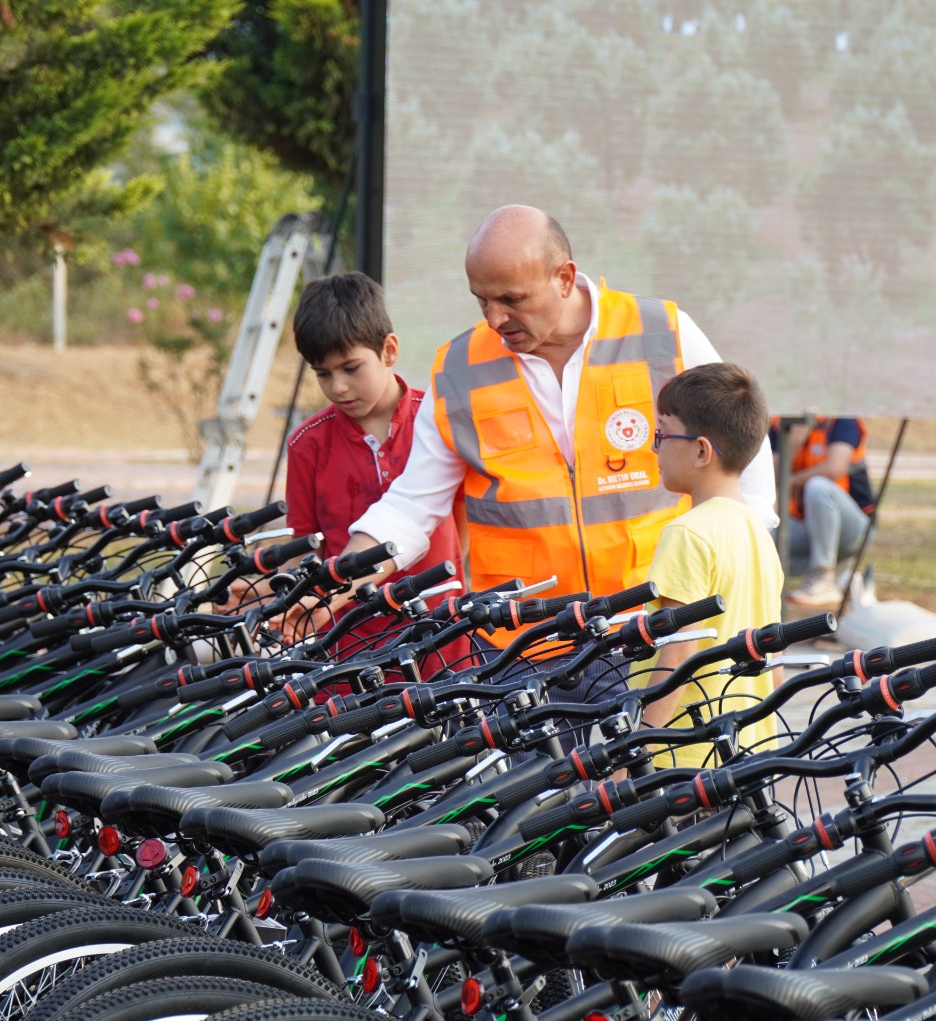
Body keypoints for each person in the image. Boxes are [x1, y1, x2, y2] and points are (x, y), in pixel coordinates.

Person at [321, 205, 777, 671]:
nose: (495, 318)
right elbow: (411, 506)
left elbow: (743, 456)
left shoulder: (665, 332)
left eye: (512, 299)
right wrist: (337, 580)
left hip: (651, 629)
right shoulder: (457, 369)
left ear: (564, 278)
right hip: (521, 644)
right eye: (482, 300)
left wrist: (747, 560)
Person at [279, 271, 469, 674]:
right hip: (348, 645)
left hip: (443, 636)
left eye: (351, 368)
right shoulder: (306, 445)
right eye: (323, 374)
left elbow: (466, 532)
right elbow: (304, 548)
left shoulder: (437, 420)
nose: (340, 388)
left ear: (389, 350)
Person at [638, 363, 782, 764]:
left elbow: (679, 653)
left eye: (662, 435)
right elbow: (773, 653)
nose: (655, 449)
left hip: (683, 757)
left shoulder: (688, 533)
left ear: (700, 450)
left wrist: (636, 750)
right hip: (745, 750)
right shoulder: (756, 532)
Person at [776, 416, 875, 607]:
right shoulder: (781, 423)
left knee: (818, 487)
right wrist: (795, 439)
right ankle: (842, 574)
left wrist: (790, 482)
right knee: (761, 538)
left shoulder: (842, 421)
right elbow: (769, 475)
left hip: (854, 530)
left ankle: (824, 577)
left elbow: (834, 468)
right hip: (806, 527)